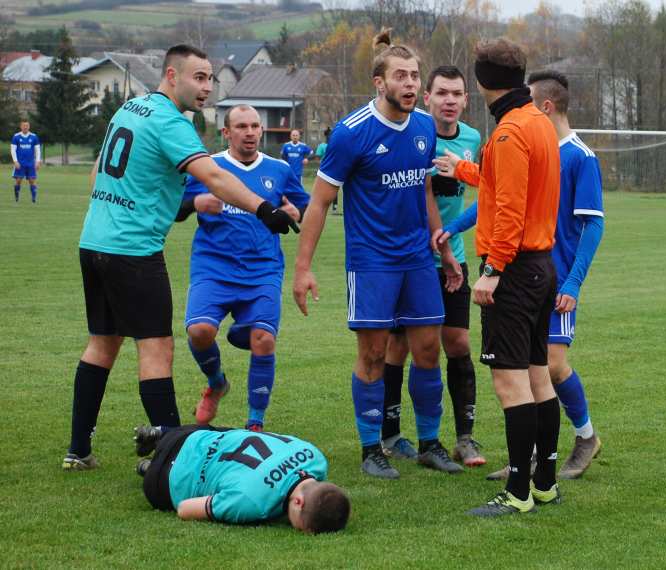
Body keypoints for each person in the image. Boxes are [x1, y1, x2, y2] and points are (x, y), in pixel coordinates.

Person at [64, 44, 297, 471]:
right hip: (132, 251)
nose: (207, 87)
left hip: (94, 241)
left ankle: (78, 450)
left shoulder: (131, 108)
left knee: (102, 344)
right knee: (157, 350)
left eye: (210, 78)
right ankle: (174, 457)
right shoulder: (173, 122)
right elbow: (213, 176)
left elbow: (100, 170)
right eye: (199, 77)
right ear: (172, 75)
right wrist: (264, 209)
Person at [292, 29, 464, 479]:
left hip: (417, 260)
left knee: (429, 350)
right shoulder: (352, 133)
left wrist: (442, 247)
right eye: (401, 76)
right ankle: (372, 449)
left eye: (415, 76)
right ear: (379, 82)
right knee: (372, 354)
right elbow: (320, 201)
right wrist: (303, 268)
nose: (410, 84)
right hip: (371, 263)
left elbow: (424, 188)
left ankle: (429, 443)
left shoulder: (425, 126)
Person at [436, 70, 605, 480]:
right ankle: (529, 460)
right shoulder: (533, 143)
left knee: (549, 365)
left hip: (552, 278)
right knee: (528, 370)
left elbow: (593, 225)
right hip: (523, 275)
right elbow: (500, 199)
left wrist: (574, 281)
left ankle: (585, 437)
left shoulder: (579, 156)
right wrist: (455, 226)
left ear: (545, 106)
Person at [434, 37, 562, 516]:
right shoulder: (537, 122)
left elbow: (509, 209)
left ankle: (519, 493)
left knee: (512, 387)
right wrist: (464, 168)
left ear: (480, 80)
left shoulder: (509, 132)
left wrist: (490, 270)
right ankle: (544, 483)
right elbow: (509, 181)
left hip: (513, 270)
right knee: (537, 378)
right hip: (540, 269)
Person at [175, 104, 309, 432]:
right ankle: (217, 382)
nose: (249, 133)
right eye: (241, 127)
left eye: (254, 126)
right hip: (214, 265)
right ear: (226, 132)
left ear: (261, 131)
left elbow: (303, 206)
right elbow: (174, 209)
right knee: (200, 331)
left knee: (263, 339)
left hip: (262, 269)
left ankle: (255, 424)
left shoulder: (279, 170)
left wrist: (296, 213)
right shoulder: (207, 168)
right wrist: (194, 203)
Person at [381, 65, 486, 468]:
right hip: (410, 257)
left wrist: (452, 233)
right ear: (427, 97)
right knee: (400, 345)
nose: (450, 101)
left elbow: (486, 192)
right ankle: (391, 434)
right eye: (442, 93)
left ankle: (465, 438)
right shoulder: (413, 132)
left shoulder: (473, 138)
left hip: (452, 256)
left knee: (457, 342)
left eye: (457, 94)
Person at [134, 424, 350, 533]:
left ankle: (159, 434)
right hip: (162, 480)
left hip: (193, 433)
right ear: (298, 502)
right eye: (298, 526)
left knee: (230, 434)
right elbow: (185, 508)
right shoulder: (253, 503)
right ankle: (147, 467)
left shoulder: (315, 457)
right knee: (180, 481)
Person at [10, 120, 41, 203]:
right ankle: (17, 198)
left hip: (30, 163)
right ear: (21, 126)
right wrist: (15, 161)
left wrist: (37, 161)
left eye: (27, 125)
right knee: (18, 180)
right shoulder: (16, 137)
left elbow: (37, 150)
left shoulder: (34, 137)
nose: (25, 127)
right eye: (24, 125)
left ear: (29, 126)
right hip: (20, 163)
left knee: (32, 181)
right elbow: (13, 150)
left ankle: (33, 199)